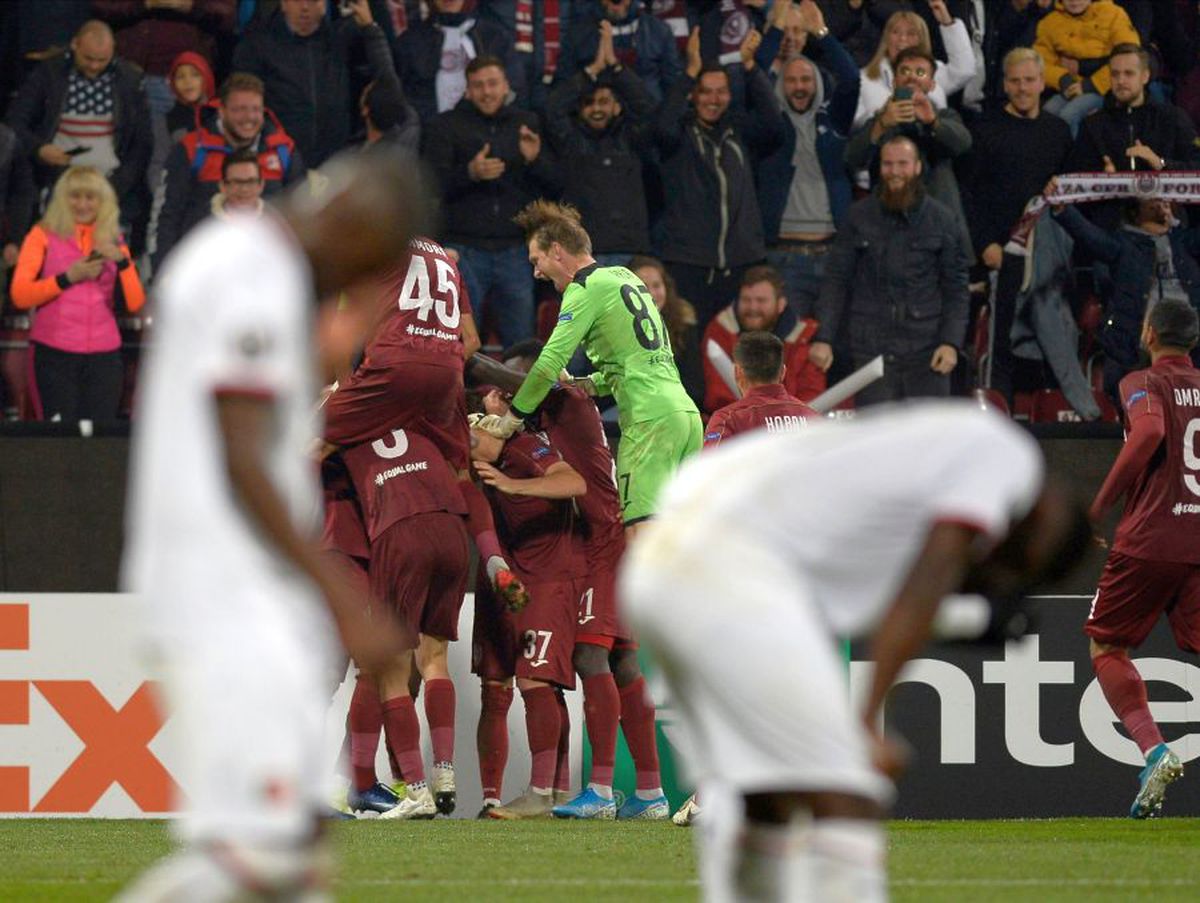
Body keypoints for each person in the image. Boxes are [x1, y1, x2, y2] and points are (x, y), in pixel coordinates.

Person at [620, 401, 1091, 901]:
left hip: (661, 563)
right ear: (1046, 517)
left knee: (765, 798)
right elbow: (928, 580)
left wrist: (967, 609)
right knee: (844, 794)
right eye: (1021, 562)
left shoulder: (899, 482)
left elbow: (892, 596)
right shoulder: (1005, 453)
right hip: (732, 567)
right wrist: (864, 722)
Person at [119, 145, 428, 900]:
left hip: (257, 594)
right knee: (264, 861)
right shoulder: (250, 266)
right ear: (353, 220)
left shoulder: (260, 270)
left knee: (294, 857)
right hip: (223, 587)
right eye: (369, 266)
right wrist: (344, 597)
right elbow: (241, 452)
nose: (355, 290)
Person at [468, 347, 670, 820]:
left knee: (588, 658)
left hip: (602, 543)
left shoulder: (564, 402)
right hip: (608, 536)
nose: (508, 401)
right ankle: (650, 793)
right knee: (622, 662)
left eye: (515, 390)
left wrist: (465, 356)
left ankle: (597, 790)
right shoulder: (544, 424)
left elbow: (572, 481)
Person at [483, 200, 702, 535]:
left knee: (640, 538)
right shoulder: (624, 276)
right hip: (684, 415)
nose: (536, 273)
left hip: (649, 423)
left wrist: (511, 420)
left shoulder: (583, 288)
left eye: (536, 260)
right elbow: (640, 359)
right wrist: (588, 383)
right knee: (684, 536)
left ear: (556, 251)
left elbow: (547, 365)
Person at [1086, 298, 1200, 818]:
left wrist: (1099, 506)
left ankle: (1154, 749)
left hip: (1152, 538)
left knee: (1107, 645)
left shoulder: (1142, 382)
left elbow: (1150, 431)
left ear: (1150, 331)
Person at [333, 426, 471, 820]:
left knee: (385, 669)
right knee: (434, 658)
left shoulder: (343, 412)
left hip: (397, 531)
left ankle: (411, 788)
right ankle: (443, 769)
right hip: (452, 530)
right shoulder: (413, 409)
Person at [468, 414, 589, 820]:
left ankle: (542, 792)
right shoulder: (469, 464)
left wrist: (512, 485)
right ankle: (491, 798)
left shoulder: (524, 448)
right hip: (501, 576)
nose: (468, 437)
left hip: (548, 576)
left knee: (536, 679)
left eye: (475, 430)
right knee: (494, 684)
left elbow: (573, 481)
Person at [811, 135, 969, 406]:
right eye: (888, 164)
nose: (894, 172)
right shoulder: (857, 217)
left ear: (918, 167)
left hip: (927, 351)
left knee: (928, 443)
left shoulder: (942, 219)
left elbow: (956, 288)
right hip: (871, 351)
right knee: (876, 442)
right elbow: (836, 280)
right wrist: (824, 337)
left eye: (902, 164)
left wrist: (951, 342)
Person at [420, 55, 560, 347]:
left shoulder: (528, 123)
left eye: (493, 83)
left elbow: (556, 184)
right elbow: (430, 184)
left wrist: (534, 160)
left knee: (521, 345)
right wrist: (469, 172)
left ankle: (519, 396)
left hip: (515, 251)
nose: (486, 92)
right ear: (467, 90)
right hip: (463, 250)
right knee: (459, 343)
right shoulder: (446, 126)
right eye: (478, 85)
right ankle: (463, 396)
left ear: (506, 85)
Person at [960, 46, 1072, 404]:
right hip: (1000, 254)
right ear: (1005, 85)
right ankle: (996, 414)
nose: (1023, 88)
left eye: (1029, 80)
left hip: (1046, 258)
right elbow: (969, 196)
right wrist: (984, 245)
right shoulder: (983, 131)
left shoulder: (1058, 131)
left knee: (1054, 340)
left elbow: (1068, 191)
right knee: (1001, 343)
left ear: (1042, 83)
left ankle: (1058, 422)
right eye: (1015, 81)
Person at [655, 26, 785, 330]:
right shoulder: (680, 135)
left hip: (742, 263)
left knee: (742, 353)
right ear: (693, 95)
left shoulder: (738, 130)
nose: (713, 100)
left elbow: (775, 126)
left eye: (721, 91)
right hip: (689, 264)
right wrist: (689, 72)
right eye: (705, 91)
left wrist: (751, 68)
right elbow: (661, 128)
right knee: (689, 351)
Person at [9, 165, 144, 422]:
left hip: (105, 356)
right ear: (63, 199)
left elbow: (136, 303)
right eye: (75, 196)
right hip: (54, 354)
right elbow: (20, 295)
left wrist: (124, 264)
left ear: (102, 202)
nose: (82, 204)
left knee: (96, 445)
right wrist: (67, 278)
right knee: (60, 444)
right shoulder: (41, 235)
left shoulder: (113, 238)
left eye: (90, 197)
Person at [4, 20, 152, 253]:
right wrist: (39, 149)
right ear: (75, 45)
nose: (94, 66)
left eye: (101, 60)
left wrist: (116, 186)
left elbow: (142, 144)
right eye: (88, 58)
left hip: (110, 180)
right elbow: (14, 121)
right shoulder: (49, 72)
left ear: (113, 51)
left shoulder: (129, 79)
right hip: (57, 177)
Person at [756, 0, 860, 321]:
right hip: (783, 258)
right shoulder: (768, 125)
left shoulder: (835, 120)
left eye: (806, 80)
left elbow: (852, 79)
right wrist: (774, 29)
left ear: (817, 83)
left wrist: (822, 33)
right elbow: (755, 73)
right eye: (791, 80)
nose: (799, 87)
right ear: (779, 85)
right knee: (788, 348)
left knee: (833, 347)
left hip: (833, 254)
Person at [1050, 190, 1200, 401]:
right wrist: (1062, 208)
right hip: (1136, 342)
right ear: (1135, 210)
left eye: (1163, 195)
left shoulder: (1184, 241)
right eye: (1151, 196)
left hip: (1188, 341)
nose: (1160, 199)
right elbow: (1090, 236)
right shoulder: (1123, 244)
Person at [151, 72, 305, 273]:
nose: (249, 117)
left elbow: (301, 218)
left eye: (256, 109)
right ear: (221, 110)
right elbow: (167, 216)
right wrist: (163, 275)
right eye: (239, 110)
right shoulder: (191, 149)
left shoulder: (283, 150)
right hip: (202, 270)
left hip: (265, 271)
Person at [544, 19, 658, 265]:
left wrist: (616, 67)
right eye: (589, 103)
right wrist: (593, 69)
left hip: (631, 251)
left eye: (604, 102)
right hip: (584, 254)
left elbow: (648, 109)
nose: (596, 109)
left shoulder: (631, 138)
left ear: (617, 106)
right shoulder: (571, 141)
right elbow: (552, 109)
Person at [845, 44, 973, 258]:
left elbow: (963, 143)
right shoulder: (878, 122)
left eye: (920, 73)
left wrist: (932, 122)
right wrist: (881, 125)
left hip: (938, 237)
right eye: (904, 71)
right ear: (894, 81)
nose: (912, 77)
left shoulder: (945, 117)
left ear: (932, 85)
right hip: (889, 234)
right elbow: (851, 159)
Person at [232, 0, 393, 168]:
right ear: (283, 4)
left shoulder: (342, 39)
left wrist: (370, 28)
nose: (305, 8)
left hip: (335, 163)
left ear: (325, 5)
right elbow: (242, 103)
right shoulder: (257, 45)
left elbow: (387, 81)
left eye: (313, 1)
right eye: (297, 1)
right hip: (279, 161)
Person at [1069, 43, 1200, 230]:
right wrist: (1102, 182)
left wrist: (1161, 164)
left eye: (1128, 73)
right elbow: (1075, 183)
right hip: (1111, 232)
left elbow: (1197, 168)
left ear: (1145, 76)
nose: (1121, 81)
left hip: (1168, 229)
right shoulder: (1092, 125)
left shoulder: (1172, 118)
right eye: (1115, 74)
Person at [701, 264, 825, 414]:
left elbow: (811, 396)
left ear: (781, 304)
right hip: (736, 426)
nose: (753, 308)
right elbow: (718, 397)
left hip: (792, 428)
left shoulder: (804, 337)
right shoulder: (720, 332)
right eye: (746, 300)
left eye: (761, 301)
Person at [396, 0, 522, 124]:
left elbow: (515, 87)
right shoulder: (410, 42)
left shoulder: (495, 37)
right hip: (429, 135)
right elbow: (402, 96)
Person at [852, 6, 975, 131]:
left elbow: (964, 71)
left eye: (911, 33)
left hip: (929, 146)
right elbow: (851, 123)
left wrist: (947, 22)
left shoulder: (933, 72)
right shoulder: (863, 79)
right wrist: (883, 117)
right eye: (896, 32)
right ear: (886, 39)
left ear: (921, 40)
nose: (902, 39)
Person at [1034, 0, 1139, 137]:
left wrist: (1091, 85)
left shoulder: (1113, 14)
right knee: (1047, 113)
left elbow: (1128, 55)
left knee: (1069, 115)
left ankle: (1077, 157)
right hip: (1069, 87)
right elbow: (1040, 61)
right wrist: (1062, 79)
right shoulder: (1050, 22)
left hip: (1104, 88)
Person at [704, 330, 818, 448]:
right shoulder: (812, 417)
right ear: (783, 372)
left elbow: (711, 464)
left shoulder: (727, 420)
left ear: (737, 372)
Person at [558, 0, 683, 103]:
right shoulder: (577, 34)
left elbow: (672, 87)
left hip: (647, 118)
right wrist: (594, 68)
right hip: (595, 120)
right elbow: (562, 89)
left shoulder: (659, 31)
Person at [630, 254, 704, 408]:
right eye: (642, 287)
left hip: (673, 408)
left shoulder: (684, 323)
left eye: (657, 286)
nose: (650, 294)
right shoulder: (611, 325)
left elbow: (695, 387)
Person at [210, 148, 266, 220]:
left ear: (261, 185)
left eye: (251, 181)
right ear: (222, 186)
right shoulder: (199, 224)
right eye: (237, 182)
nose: (244, 189)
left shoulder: (278, 221)